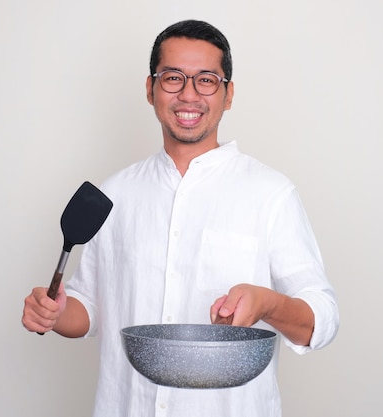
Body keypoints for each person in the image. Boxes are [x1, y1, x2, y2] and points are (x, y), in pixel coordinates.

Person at [22, 19, 339, 417]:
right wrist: (53, 313)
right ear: (150, 88)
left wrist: (267, 303)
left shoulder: (270, 193)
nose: (189, 95)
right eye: (173, 77)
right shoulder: (114, 194)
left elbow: (322, 320)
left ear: (228, 94)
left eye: (206, 80)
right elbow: (89, 310)